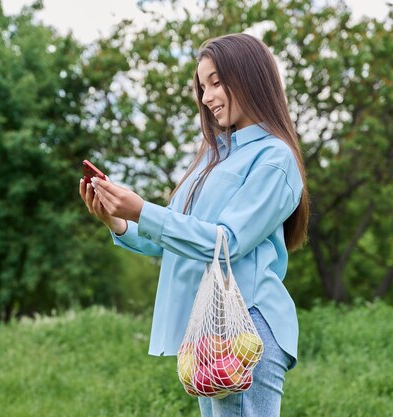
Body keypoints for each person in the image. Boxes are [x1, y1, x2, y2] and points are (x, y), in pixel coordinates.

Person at [79, 32, 310, 417]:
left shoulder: (274, 157)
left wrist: (142, 210)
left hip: (246, 324)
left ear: (251, 77)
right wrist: (119, 222)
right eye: (203, 87)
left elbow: (226, 242)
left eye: (216, 82)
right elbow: (173, 239)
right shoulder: (212, 156)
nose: (206, 98)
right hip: (209, 327)